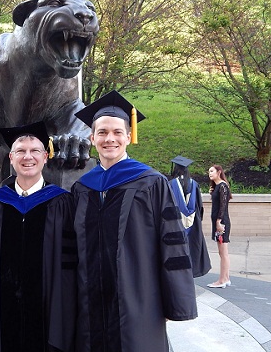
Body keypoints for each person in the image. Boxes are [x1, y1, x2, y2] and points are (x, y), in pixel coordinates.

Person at [72, 90, 197, 352]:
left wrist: (174, 302)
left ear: (129, 137)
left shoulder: (151, 182)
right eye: (103, 132)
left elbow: (173, 243)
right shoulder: (82, 188)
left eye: (118, 132)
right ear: (92, 137)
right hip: (89, 301)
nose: (110, 139)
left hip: (139, 299)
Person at [0, 121, 78, 352]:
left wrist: (67, 314)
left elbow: (70, 267)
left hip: (48, 315)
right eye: (20, 151)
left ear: (46, 157)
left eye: (35, 151)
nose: (28, 157)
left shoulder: (62, 203)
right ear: (11, 158)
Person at [169, 155, 211, 278]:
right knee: (192, 246)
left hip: (174, 222)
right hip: (193, 224)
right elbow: (199, 207)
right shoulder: (194, 184)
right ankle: (191, 272)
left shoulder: (171, 184)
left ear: (175, 169)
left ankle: (177, 274)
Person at [207, 164, 233, 288]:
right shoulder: (218, 186)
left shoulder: (222, 186)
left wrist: (218, 222)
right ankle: (226, 278)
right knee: (223, 252)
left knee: (223, 253)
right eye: (209, 172)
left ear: (219, 172)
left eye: (212, 171)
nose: (210, 173)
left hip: (221, 223)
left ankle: (222, 280)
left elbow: (222, 207)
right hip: (219, 222)